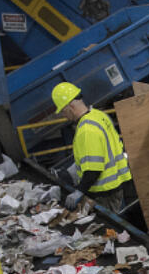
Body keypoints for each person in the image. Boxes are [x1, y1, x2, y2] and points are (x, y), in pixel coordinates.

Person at [51, 82, 133, 213]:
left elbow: (94, 169)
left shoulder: (86, 129)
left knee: (109, 230)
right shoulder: (98, 115)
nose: (63, 115)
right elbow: (103, 151)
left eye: (62, 111)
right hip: (116, 184)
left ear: (70, 106)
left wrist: (79, 192)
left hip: (103, 192)